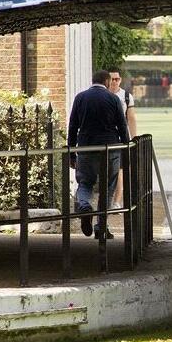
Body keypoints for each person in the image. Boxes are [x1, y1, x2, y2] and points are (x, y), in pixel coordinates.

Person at [67, 70, 130, 240]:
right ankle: (101, 227)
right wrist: (126, 149)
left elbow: (73, 126)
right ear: (107, 82)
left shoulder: (80, 98)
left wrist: (71, 153)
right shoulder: (113, 98)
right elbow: (122, 127)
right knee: (108, 188)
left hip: (86, 148)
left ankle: (85, 205)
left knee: (85, 183)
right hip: (110, 148)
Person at [108, 67, 138, 207]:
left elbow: (131, 119)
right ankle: (108, 200)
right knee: (108, 169)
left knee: (120, 170)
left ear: (120, 80)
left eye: (117, 79)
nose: (114, 82)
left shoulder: (126, 96)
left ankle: (117, 202)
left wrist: (134, 139)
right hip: (106, 137)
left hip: (121, 137)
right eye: (112, 79)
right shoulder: (103, 95)